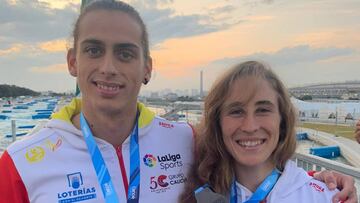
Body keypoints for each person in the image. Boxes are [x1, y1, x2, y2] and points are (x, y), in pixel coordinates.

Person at [0, 1, 356, 203]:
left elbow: (254, 162)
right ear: (72, 62)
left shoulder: (187, 140)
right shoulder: (20, 164)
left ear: (147, 68)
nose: (108, 68)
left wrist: (322, 182)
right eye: (94, 50)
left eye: (125, 54)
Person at [180, 61, 357, 203]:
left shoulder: (328, 198)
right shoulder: (196, 193)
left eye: (263, 110)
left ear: (282, 120)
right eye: (236, 111)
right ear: (217, 123)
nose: (249, 126)